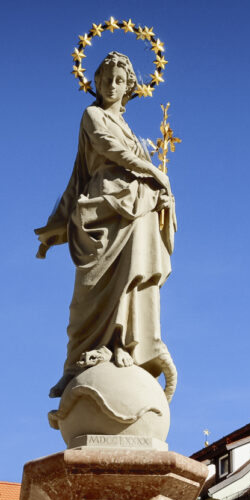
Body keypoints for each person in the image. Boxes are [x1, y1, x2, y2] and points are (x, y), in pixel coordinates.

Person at [36, 52, 176, 399]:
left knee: (134, 278)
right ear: (95, 83)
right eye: (105, 79)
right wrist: (154, 172)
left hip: (135, 208)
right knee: (87, 292)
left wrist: (160, 196)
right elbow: (106, 150)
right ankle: (75, 364)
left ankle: (126, 345)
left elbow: (131, 160)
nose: (111, 86)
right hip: (101, 207)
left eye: (119, 80)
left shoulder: (131, 130)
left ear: (129, 87)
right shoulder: (92, 115)